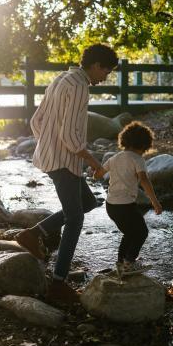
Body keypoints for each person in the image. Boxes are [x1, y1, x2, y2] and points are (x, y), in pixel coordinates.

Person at [15, 44, 118, 302]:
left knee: (88, 202)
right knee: (74, 219)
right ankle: (59, 283)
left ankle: (34, 234)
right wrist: (94, 162)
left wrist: (47, 144)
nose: (105, 77)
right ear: (96, 66)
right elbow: (71, 137)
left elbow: (36, 121)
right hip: (63, 160)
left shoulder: (62, 78)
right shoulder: (79, 85)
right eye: (106, 71)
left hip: (52, 157)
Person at [95, 121, 162, 277]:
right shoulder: (137, 160)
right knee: (141, 233)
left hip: (111, 206)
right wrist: (155, 202)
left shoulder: (115, 157)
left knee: (129, 233)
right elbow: (144, 180)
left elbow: (98, 174)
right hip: (125, 206)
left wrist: (95, 171)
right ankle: (129, 263)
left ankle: (120, 263)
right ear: (145, 145)